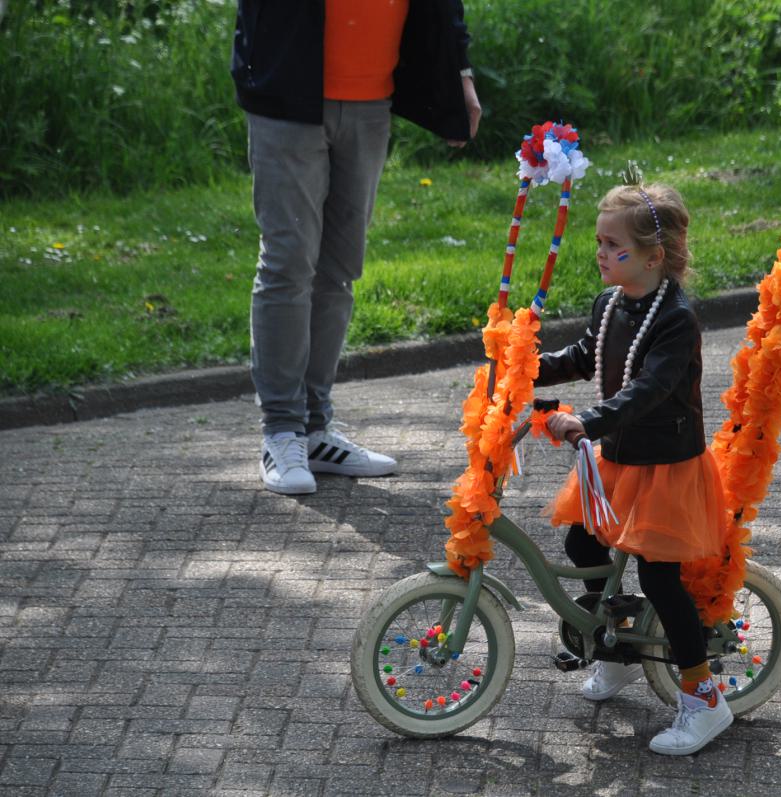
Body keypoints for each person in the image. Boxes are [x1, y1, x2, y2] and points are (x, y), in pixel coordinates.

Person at [230, 0, 482, 494]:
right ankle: (282, 430)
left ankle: (315, 429)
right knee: (288, 263)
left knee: (339, 268)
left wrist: (460, 71)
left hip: (371, 99)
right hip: (286, 90)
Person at [535, 182, 733, 756]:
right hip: (620, 458)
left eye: (612, 245)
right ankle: (617, 646)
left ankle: (704, 699)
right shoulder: (611, 304)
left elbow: (649, 389)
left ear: (653, 256)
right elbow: (585, 356)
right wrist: (526, 365)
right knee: (582, 543)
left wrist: (587, 421)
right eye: (599, 241)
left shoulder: (676, 320)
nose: (600, 252)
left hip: (666, 466)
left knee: (659, 578)